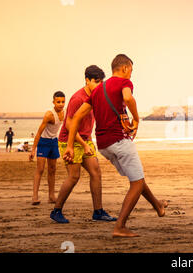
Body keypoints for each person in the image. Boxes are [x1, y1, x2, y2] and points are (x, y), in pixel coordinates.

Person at [63, 54, 167, 237]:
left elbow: (76, 117)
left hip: (103, 146)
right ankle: (120, 227)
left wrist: (70, 146)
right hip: (119, 141)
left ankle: (158, 205)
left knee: (137, 178)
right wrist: (136, 118)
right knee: (136, 182)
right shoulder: (124, 83)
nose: (131, 75)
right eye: (131, 71)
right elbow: (128, 98)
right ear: (125, 68)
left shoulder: (97, 89)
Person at [50, 65, 116, 224]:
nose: (99, 85)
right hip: (69, 141)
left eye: (101, 82)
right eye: (96, 82)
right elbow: (68, 125)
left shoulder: (97, 95)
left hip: (85, 140)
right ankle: (56, 211)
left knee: (96, 172)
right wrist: (81, 145)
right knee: (74, 176)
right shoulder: (78, 98)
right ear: (87, 80)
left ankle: (98, 212)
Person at [29, 91, 66, 205]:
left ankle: (51, 196)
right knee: (40, 169)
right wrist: (33, 150)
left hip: (54, 142)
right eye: (58, 102)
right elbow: (39, 132)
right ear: (53, 102)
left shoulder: (64, 113)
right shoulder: (49, 115)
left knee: (52, 170)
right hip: (43, 142)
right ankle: (35, 196)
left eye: (63, 102)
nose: (60, 104)